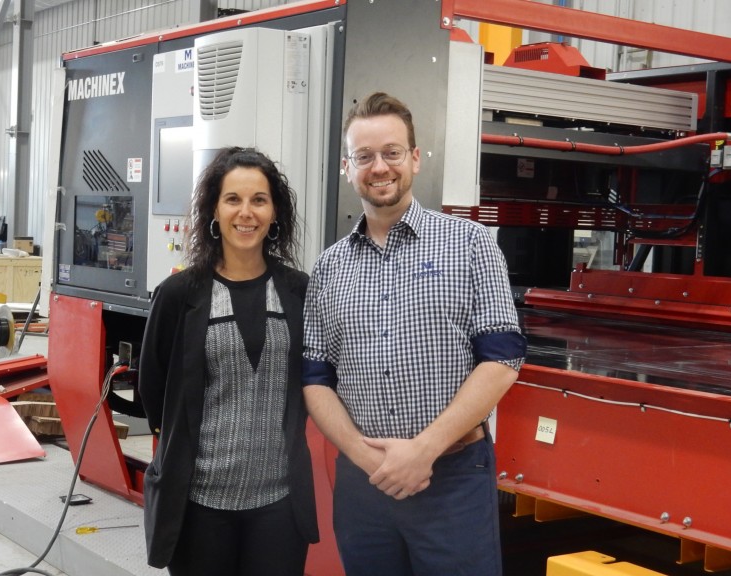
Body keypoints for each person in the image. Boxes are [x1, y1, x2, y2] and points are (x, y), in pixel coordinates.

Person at [302, 92, 527, 576]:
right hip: (365, 485)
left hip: (452, 480)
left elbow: (503, 358)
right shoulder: (329, 267)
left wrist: (422, 451)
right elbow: (316, 379)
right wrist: (367, 459)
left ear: (415, 158)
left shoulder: (470, 244)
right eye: (364, 156)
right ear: (348, 167)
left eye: (392, 152)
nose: (379, 167)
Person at [138, 147, 319, 575]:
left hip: (279, 507)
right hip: (199, 507)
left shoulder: (299, 292)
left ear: (274, 212)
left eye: (259, 199)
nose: (246, 212)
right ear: (214, 211)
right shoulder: (179, 296)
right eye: (233, 199)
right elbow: (154, 388)